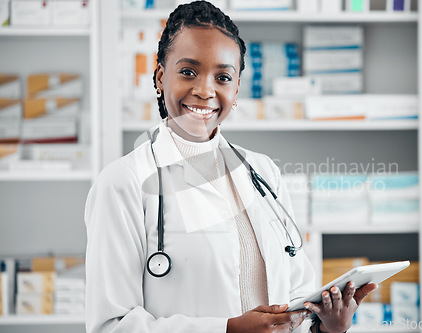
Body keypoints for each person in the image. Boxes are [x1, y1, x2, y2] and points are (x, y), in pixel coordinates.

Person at [84, 1, 377, 332]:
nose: (205, 90)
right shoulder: (123, 183)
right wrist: (228, 329)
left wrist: (326, 327)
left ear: (236, 89)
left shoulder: (263, 172)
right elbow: (111, 325)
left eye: (222, 77)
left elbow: (296, 298)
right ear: (160, 77)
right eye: (188, 71)